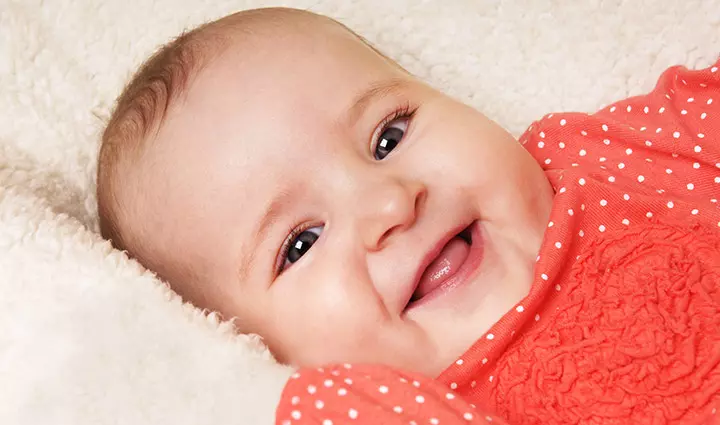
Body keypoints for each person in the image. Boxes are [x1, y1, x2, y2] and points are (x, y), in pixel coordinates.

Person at [96, 7, 720, 425]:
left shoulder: (606, 158)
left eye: (388, 137)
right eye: (301, 243)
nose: (391, 205)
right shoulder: (390, 405)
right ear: (248, 345)